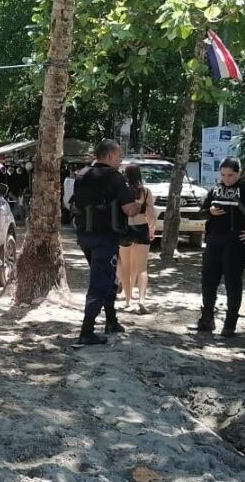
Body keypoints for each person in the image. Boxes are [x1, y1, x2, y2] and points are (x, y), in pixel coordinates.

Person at [73, 139, 141, 346]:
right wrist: (139, 204)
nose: (120, 161)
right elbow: (129, 209)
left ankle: (111, 320)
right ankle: (86, 331)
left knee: (108, 277)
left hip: (84, 235)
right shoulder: (114, 177)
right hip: (106, 237)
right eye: (119, 157)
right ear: (110, 156)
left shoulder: (81, 175)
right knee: (99, 283)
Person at [189, 157, 245, 337]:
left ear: (239, 173)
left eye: (230, 175)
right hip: (215, 239)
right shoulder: (215, 189)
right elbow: (201, 213)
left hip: (237, 242)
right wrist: (209, 212)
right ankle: (207, 318)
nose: (227, 179)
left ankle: (230, 323)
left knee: (232, 280)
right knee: (208, 280)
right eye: (223, 175)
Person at [117, 163, 156, 311]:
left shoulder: (122, 191)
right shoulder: (146, 192)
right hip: (141, 228)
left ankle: (127, 300)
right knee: (142, 268)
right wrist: (152, 228)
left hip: (125, 229)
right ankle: (142, 300)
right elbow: (151, 214)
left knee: (126, 267)